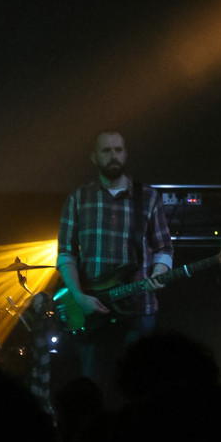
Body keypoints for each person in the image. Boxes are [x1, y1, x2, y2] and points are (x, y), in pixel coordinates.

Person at [56, 131, 174, 401]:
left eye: (118, 150)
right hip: (91, 310)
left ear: (126, 154)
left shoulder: (148, 197)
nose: (113, 156)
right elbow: (65, 254)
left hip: (138, 308)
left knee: (139, 388)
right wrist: (78, 296)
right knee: (92, 387)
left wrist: (159, 272)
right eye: (106, 151)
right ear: (94, 156)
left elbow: (164, 248)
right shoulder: (79, 198)